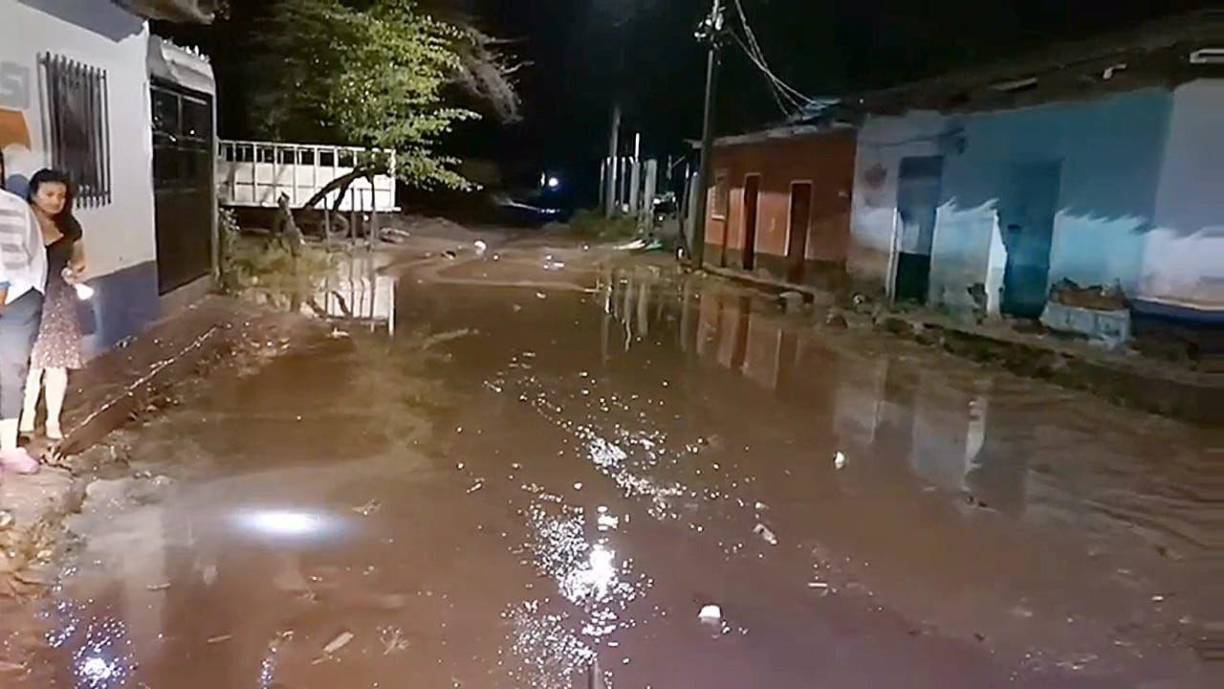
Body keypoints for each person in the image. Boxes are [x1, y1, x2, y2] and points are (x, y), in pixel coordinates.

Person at [20, 169, 85, 444]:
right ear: (34, 194)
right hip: (28, 299)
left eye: (61, 196)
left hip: (59, 301)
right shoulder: (22, 222)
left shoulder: (69, 226)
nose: (56, 201)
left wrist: (75, 270)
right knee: (30, 365)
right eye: (49, 194)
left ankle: (52, 421)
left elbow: (80, 258)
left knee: (57, 364)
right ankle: (25, 419)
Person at [0, 183, 47, 475]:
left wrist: (30, 293)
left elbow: (31, 253)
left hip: (17, 300)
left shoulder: (13, 207)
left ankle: (7, 447)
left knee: (10, 373)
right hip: (18, 296)